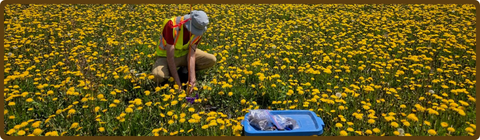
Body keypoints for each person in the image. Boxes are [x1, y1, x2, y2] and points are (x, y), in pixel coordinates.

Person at [152, 10, 216, 96]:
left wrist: (192, 78)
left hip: (185, 55)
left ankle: (184, 71)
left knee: (211, 59)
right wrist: (178, 84)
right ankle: (175, 76)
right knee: (157, 76)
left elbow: (192, 55)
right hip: (166, 57)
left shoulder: (199, 27)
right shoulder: (172, 25)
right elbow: (170, 58)